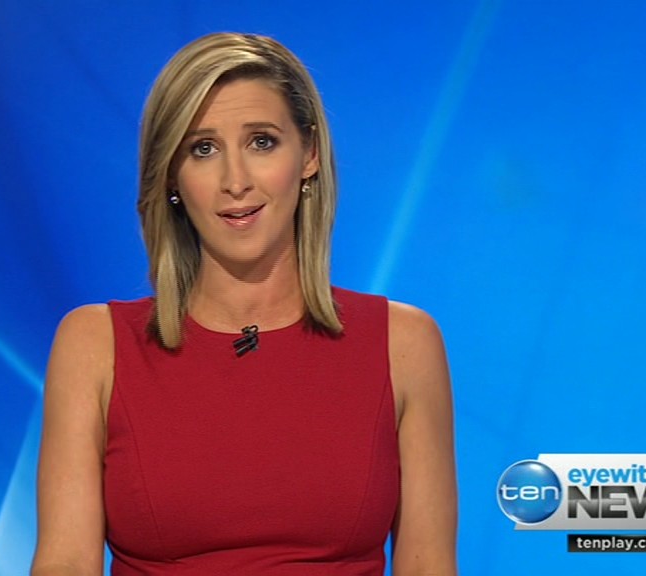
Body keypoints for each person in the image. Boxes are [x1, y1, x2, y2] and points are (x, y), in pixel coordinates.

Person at [31, 32, 456, 575]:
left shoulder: (404, 344)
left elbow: (428, 565)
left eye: (261, 142)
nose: (235, 181)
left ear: (309, 155)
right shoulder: (95, 345)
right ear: (172, 174)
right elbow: (66, 563)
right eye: (203, 149)